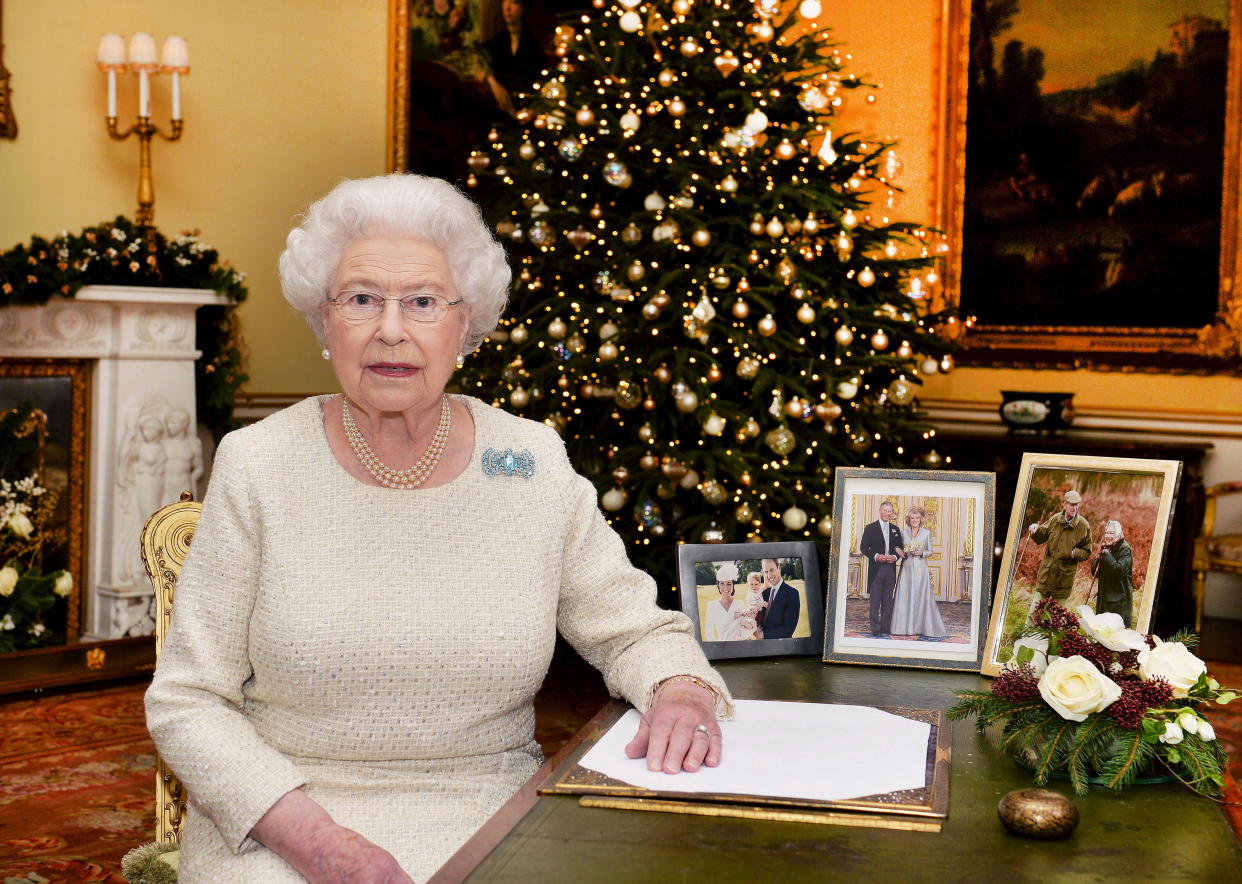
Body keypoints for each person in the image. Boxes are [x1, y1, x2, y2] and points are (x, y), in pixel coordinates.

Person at [144, 174, 732, 882]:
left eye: (423, 302)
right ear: (323, 320)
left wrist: (679, 692)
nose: (391, 328)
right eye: (361, 299)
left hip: (492, 812)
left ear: (466, 324)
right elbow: (188, 700)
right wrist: (322, 845)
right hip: (283, 826)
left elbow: (637, 631)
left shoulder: (530, 462)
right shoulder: (259, 464)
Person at [889, 506, 947, 641]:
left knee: (921, 597)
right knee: (905, 596)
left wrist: (921, 552)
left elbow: (930, 551)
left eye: (917, 518)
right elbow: (897, 546)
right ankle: (902, 627)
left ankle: (921, 627)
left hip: (921, 570)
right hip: (906, 568)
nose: (914, 520)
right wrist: (898, 550)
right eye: (912, 518)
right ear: (909, 519)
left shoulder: (926, 533)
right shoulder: (903, 533)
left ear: (921, 519)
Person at [1028, 489, 1092, 604]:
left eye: (1076, 505)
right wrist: (1034, 530)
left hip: (1063, 581)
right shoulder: (1055, 519)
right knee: (1033, 614)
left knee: (1056, 617)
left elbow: (1087, 551)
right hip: (1046, 577)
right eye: (1072, 504)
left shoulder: (1083, 525)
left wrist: (1074, 553)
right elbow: (1040, 537)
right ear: (1064, 504)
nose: (1074, 508)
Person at [859, 500, 904, 638]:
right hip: (876, 569)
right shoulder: (870, 528)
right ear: (880, 511)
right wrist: (876, 556)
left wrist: (895, 558)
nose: (887, 513)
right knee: (875, 600)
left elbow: (900, 549)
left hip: (890, 569)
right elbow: (863, 548)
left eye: (890, 511)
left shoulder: (896, 529)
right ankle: (875, 628)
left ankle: (886, 627)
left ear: (892, 513)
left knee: (887, 600)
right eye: (885, 510)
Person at [1092, 519, 1134, 627]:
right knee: (1101, 631)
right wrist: (1100, 556)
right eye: (1106, 533)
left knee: (1114, 636)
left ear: (1118, 534)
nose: (1108, 536)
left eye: (1111, 533)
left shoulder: (1125, 549)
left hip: (1119, 602)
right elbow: (1095, 573)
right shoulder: (1108, 548)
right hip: (1105, 598)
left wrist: (1107, 555)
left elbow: (1118, 571)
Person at [755, 558, 800, 640]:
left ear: (779, 568)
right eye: (766, 572)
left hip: (780, 647)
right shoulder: (765, 593)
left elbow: (789, 629)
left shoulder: (792, 593)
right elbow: (761, 617)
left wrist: (763, 635)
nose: (769, 575)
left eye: (771, 570)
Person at [702, 562, 741, 642]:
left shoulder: (740, 603)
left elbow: (748, 629)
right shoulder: (712, 606)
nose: (725, 587)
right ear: (718, 585)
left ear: (733, 585)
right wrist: (720, 648)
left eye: (729, 583)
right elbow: (709, 634)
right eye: (722, 583)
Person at [723, 571, 766, 641]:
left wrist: (765, 576)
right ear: (748, 585)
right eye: (751, 584)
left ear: (759, 584)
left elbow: (766, 585)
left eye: (756, 584)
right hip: (754, 615)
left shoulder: (759, 591)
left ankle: (746, 637)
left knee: (758, 632)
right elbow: (753, 609)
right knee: (749, 627)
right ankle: (743, 637)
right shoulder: (750, 595)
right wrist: (762, 604)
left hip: (760, 615)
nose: (754, 586)